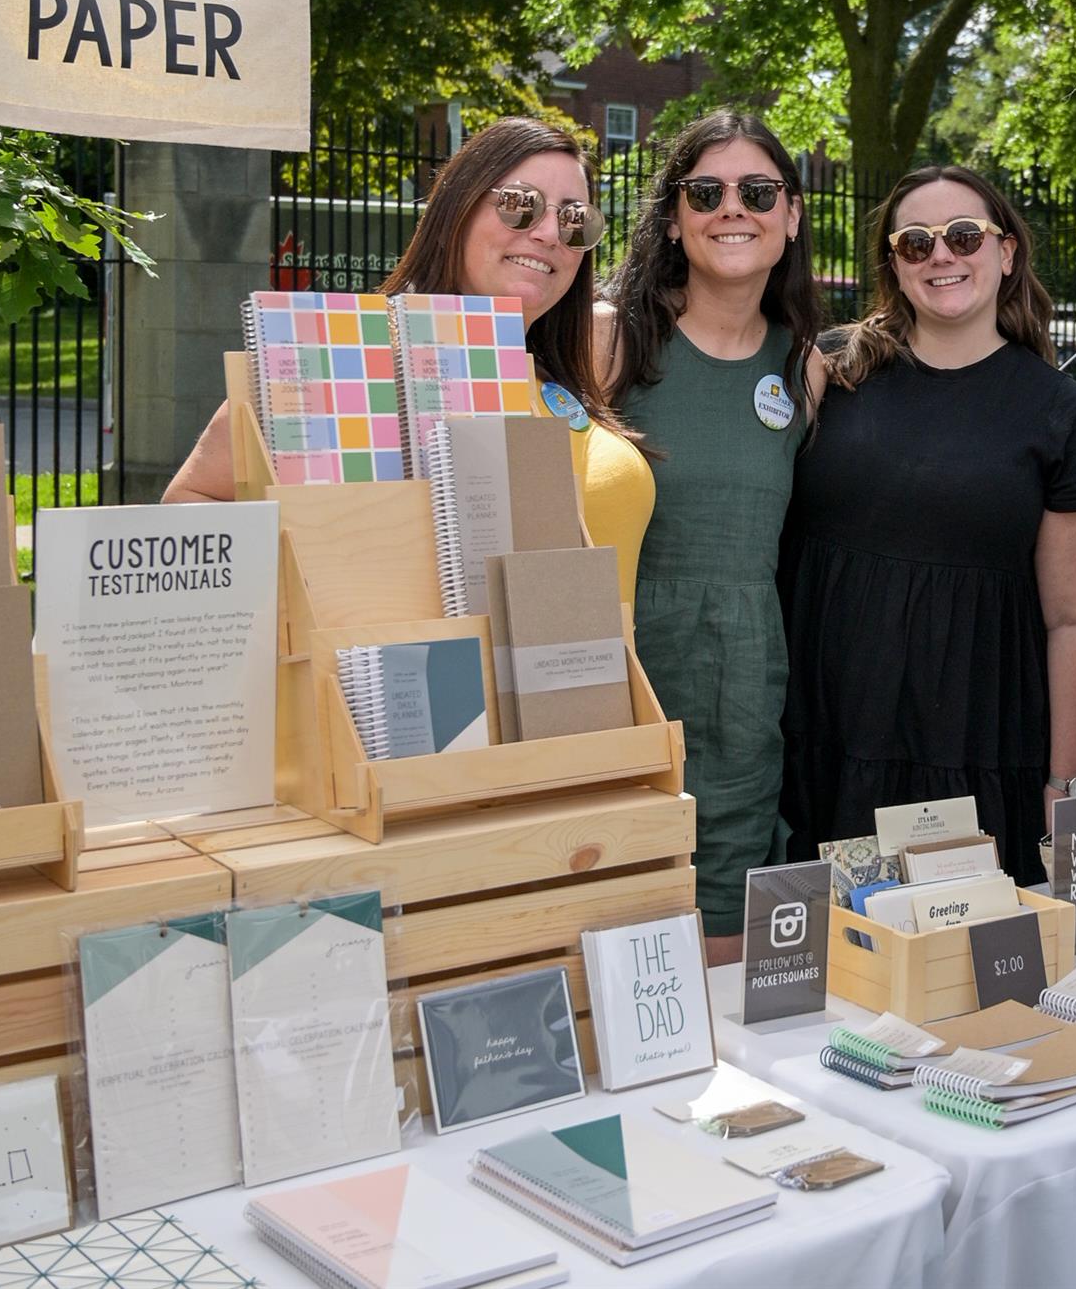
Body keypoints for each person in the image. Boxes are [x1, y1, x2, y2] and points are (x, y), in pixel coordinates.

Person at [163, 117, 654, 604]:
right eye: (520, 204)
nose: (549, 233)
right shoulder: (338, 366)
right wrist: (314, 593)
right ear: (457, 211)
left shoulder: (573, 376)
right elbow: (189, 513)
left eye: (575, 219)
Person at [779, 166, 1076, 885]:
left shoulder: (1060, 413)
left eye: (963, 236)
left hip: (978, 743)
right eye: (916, 243)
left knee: (972, 951)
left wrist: (1066, 781)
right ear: (894, 265)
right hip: (828, 735)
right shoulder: (832, 371)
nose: (941, 255)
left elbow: (1075, 618)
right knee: (834, 945)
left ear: (1006, 251)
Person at [604, 112, 825, 962]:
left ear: (792, 215)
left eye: (758, 191)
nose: (733, 208)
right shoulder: (613, 339)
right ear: (673, 219)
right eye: (706, 192)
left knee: (726, 943)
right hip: (623, 682)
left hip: (743, 691)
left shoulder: (805, 368)